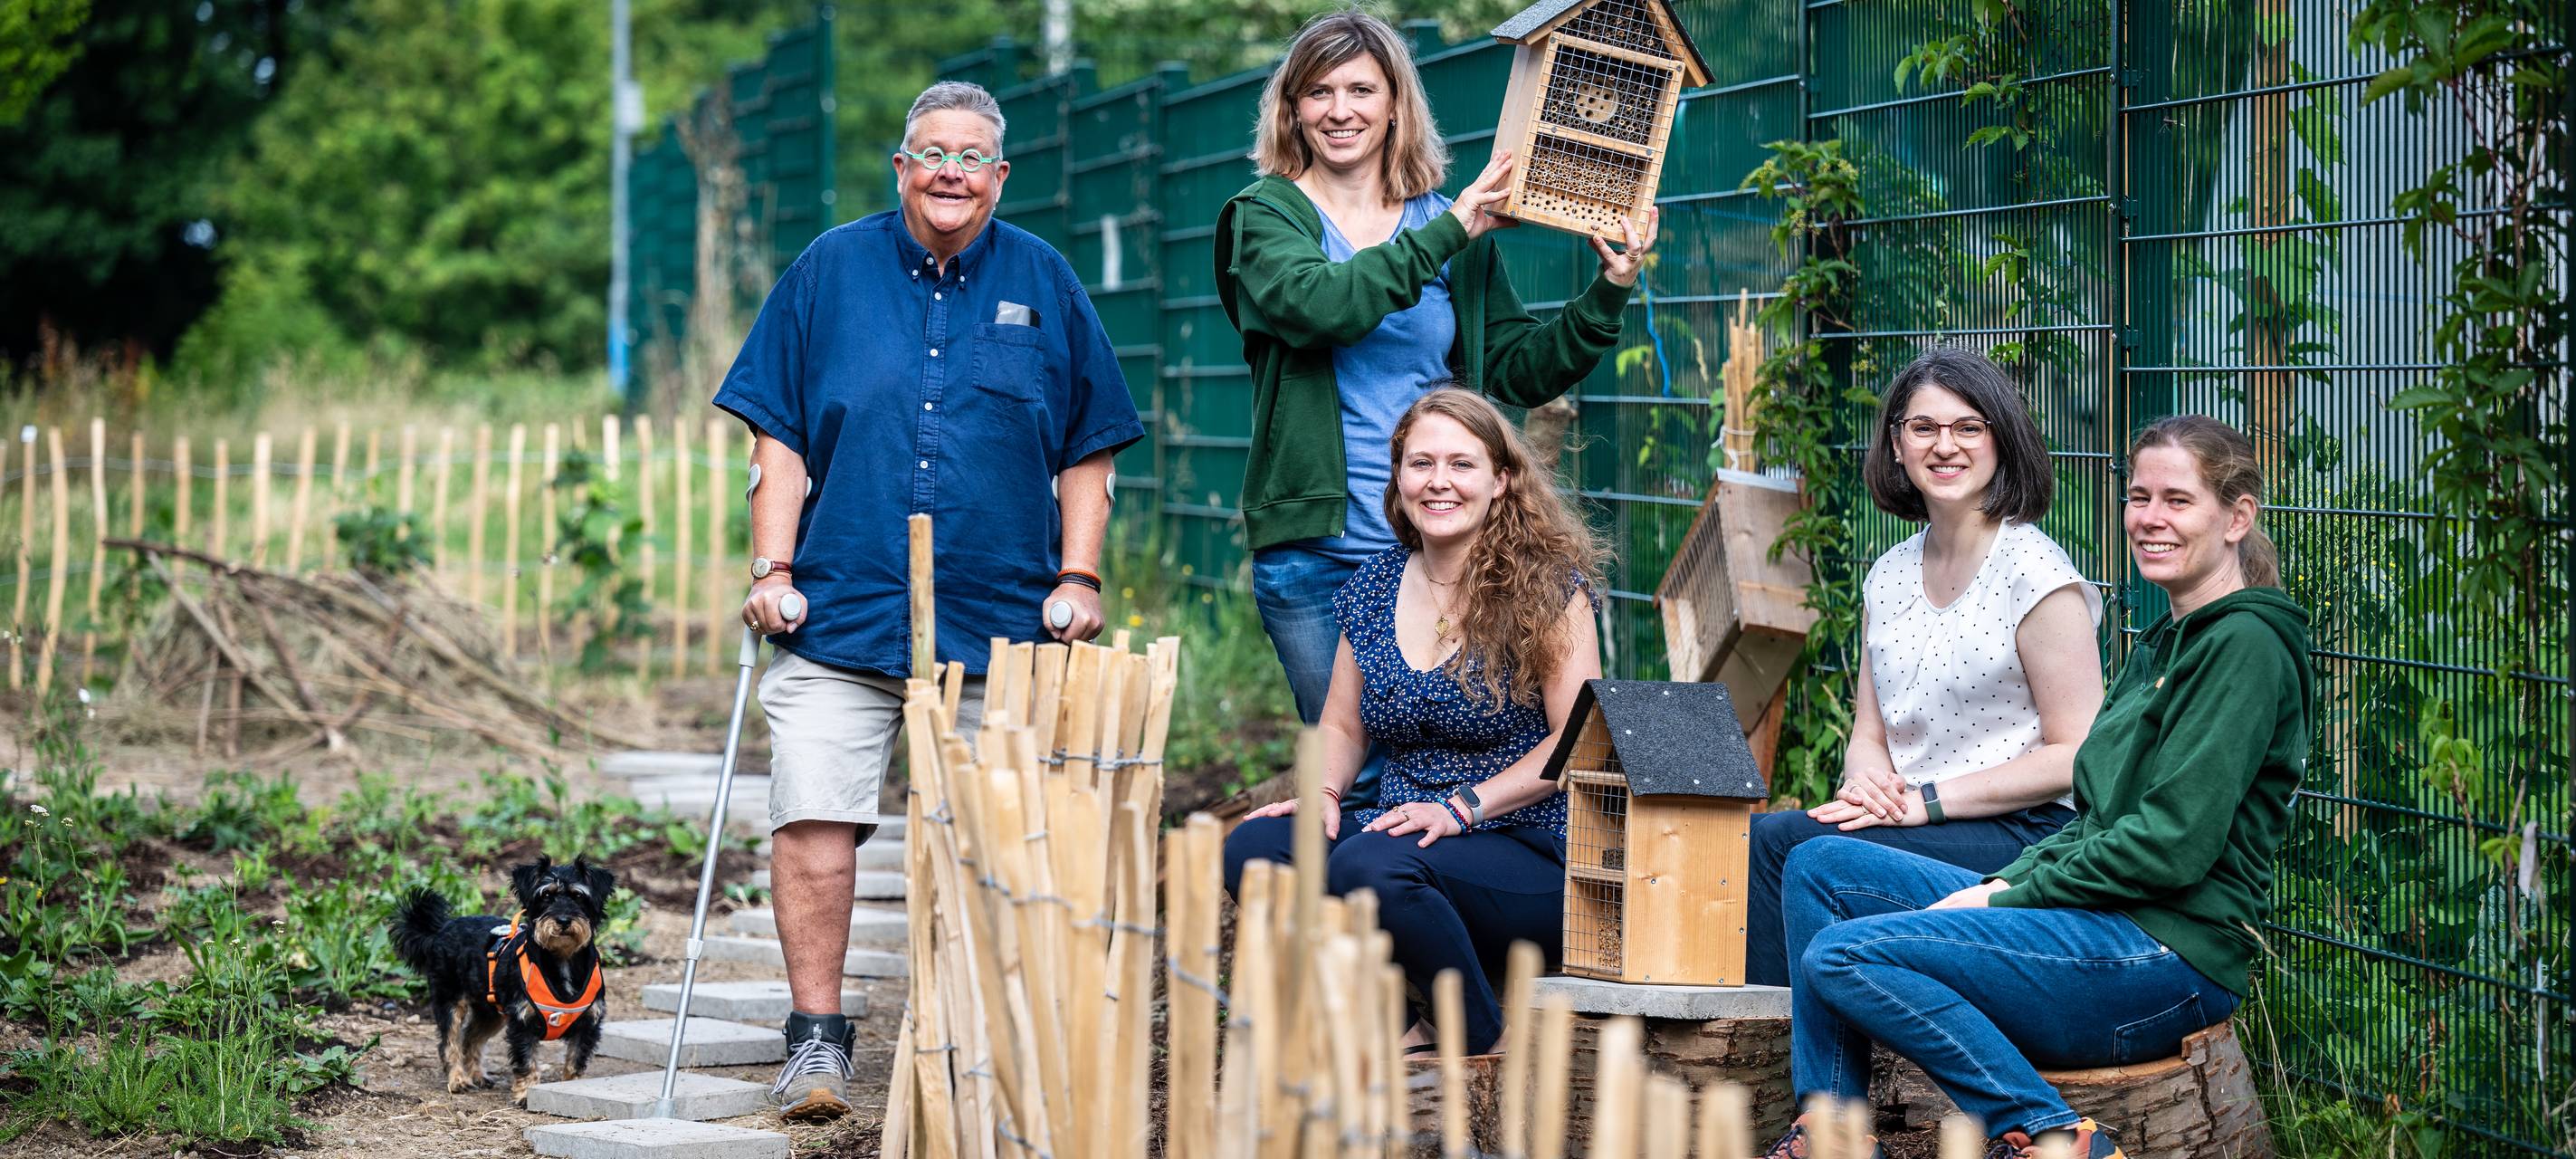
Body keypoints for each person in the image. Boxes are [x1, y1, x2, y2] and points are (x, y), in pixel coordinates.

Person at [712, 80, 1144, 1120]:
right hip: (842, 602)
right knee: (812, 813)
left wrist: (1077, 581)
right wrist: (772, 573)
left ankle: (972, 1036)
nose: (950, 172)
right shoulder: (829, 269)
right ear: (900, 169)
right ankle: (815, 1042)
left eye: (971, 157)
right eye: (930, 154)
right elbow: (777, 434)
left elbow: (1091, 446)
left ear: (999, 177)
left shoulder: (1044, 278)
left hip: (998, 620)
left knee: (992, 839)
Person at [1763, 417, 2314, 1159]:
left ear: (2236, 517)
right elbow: (2094, 820)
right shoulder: (2165, 643)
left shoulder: (2244, 648)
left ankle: (2051, 1134)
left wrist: (2002, 896)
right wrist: (2003, 879)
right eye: (2139, 496)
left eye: (2178, 501)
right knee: (1816, 865)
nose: (2150, 519)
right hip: (2097, 922)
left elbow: (2170, 846)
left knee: (1842, 956)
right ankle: (1834, 1132)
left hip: (2162, 961)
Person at [1213, 10, 1655, 806]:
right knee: (1354, 781)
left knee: (1453, 774)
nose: (1339, 110)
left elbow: (1520, 367)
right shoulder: (1265, 217)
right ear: (1292, 108)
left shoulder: (1448, 226)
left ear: (1395, 106)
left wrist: (1611, 288)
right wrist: (1450, 230)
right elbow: (1323, 307)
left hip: (1444, 548)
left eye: (1360, 89)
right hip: (1319, 550)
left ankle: (1444, 920)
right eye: (1318, 91)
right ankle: (1352, 925)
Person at [1220, 388, 1602, 1056]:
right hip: (1402, 837)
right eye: (1420, 464)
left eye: (1461, 464)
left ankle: (1481, 1039)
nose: (1439, 482)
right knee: (1256, 853)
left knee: (1371, 864)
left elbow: (1574, 745)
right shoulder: (1373, 586)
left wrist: (1460, 809)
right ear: (1398, 479)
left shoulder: (1548, 588)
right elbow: (1340, 727)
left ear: (1501, 481)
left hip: (1524, 848)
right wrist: (1325, 795)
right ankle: (1394, 1023)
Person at [1744, 348, 2104, 987]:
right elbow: (1870, 734)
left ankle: (1791, 1047)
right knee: (1769, 837)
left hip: (2024, 831)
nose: (1946, 446)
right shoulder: (1888, 575)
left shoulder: (2036, 575)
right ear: (1897, 443)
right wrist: (1868, 786)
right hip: (1916, 813)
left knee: (1793, 848)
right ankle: (1776, 1034)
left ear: (2002, 441)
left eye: (1969, 427)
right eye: (1925, 428)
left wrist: (1926, 802)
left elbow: (2077, 752)